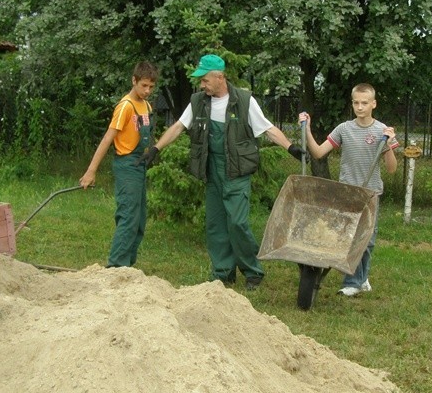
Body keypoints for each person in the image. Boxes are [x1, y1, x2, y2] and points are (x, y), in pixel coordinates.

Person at [140, 54, 303, 290]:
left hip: (236, 170)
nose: (201, 85)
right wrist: (155, 148)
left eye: (205, 80)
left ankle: (252, 271)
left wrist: (291, 147)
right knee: (215, 224)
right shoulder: (198, 102)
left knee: (237, 223)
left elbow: (267, 129)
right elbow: (178, 127)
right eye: (200, 81)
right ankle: (223, 272)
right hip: (211, 169)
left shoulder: (244, 101)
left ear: (220, 77)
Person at [298, 83, 399, 296]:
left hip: (370, 193)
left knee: (367, 240)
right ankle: (353, 281)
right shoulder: (344, 129)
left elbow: (391, 169)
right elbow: (317, 152)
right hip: (347, 192)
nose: (360, 107)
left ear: (374, 104)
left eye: (364, 103)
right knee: (350, 238)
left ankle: (359, 279)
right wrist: (306, 129)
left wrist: (389, 145)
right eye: (356, 102)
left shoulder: (382, 131)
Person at [80, 61, 159, 268]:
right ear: (134, 81)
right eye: (143, 85)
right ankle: (116, 266)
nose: (147, 90)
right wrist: (91, 171)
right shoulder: (126, 106)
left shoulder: (147, 106)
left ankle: (128, 267)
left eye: (151, 86)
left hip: (140, 164)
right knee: (128, 217)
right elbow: (107, 139)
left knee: (140, 218)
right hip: (126, 165)